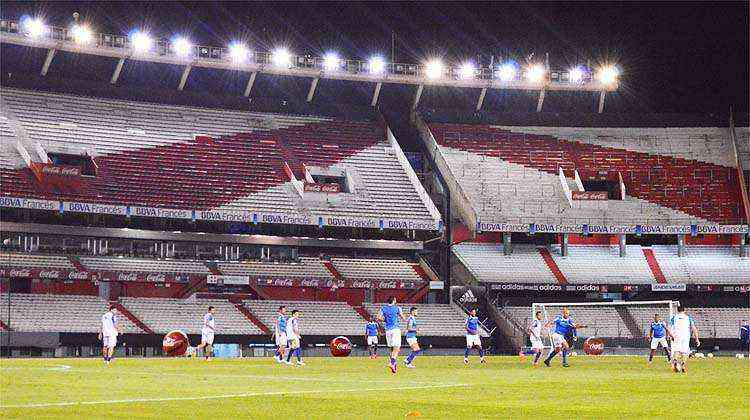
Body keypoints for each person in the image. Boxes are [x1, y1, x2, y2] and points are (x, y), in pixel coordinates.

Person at [378, 296, 406, 374]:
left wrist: (386, 320)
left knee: (392, 349)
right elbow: (403, 317)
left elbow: (378, 318)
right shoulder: (397, 308)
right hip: (395, 329)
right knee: (397, 348)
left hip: (388, 331)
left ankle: (394, 365)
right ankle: (392, 362)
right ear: (394, 300)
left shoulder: (383, 308)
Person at [669, 305, 699, 373]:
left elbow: (669, 327)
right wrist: (697, 339)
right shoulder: (688, 318)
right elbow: (694, 328)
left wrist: (671, 335)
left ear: (677, 310)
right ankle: (683, 365)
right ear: (684, 310)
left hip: (677, 336)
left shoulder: (674, 317)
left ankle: (675, 362)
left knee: (677, 350)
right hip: (685, 336)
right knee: (685, 352)